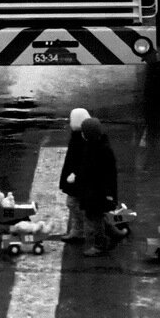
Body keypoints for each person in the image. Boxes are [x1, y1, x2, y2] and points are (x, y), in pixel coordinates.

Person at [77, 116, 118, 257]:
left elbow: (105, 174)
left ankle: (100, 244)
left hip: (97, 192)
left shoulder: (100, 150)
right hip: (93, 191)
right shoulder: (95, 146)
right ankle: (114, 233)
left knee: (96, 217)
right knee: (97, 215)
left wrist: (107, 193)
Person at [59, 107, 91, 243]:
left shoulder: (81, 139)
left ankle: (82, 229)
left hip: (77, 179)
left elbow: (81, 161)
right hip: (75, 178)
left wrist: (75, 175)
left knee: (73, 203)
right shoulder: (80, 136)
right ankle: (78, 231)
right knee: (74, 204)